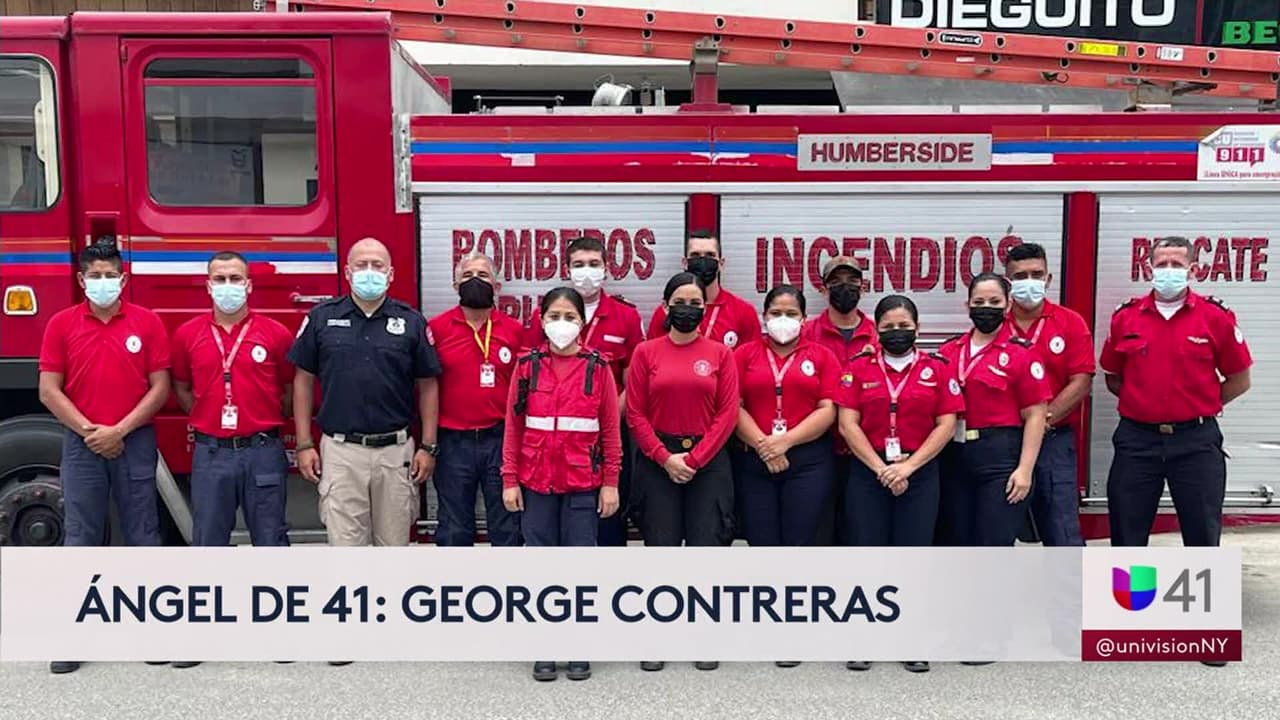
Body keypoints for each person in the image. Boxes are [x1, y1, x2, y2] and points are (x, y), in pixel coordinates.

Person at [37, 238, 171, 676]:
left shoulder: (147, 322)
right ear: (81, 280)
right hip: (82, 446)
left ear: (123, 279)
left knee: (143, 535)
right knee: (81, 537)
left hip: (134, 441)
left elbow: (160, 388)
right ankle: (74, 636)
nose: (103, 282)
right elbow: (49, 390)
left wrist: (120, 430)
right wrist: (91, 432)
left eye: (110, 275)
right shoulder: (61, 324)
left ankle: (150, 630)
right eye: (94, 276)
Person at [502, 287, 623, 682]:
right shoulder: (527, 367)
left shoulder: (597, 367)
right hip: (536, 483)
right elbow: (513, 428)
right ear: (541, 320)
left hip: (582, 484)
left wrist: (611, 482)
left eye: (570, 317)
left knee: (579, 565)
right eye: (554, 316)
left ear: (582, 322)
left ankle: (578, 645)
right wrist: (509, 479)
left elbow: (610, 430)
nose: (562, 324)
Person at [837, 295, 962, 674]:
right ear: (876, 330)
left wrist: (908, 467)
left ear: (917, 328)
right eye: (888, 327)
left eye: (904, 326)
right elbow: (847, 424)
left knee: (914, 555)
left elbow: (947, 424)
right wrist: (881, 468)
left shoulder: (936, 368)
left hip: (919, 473)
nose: (897, 332)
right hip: (868, 471)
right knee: (866, 554)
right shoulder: (858, 368)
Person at [1100, 236, 1252, 549]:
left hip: (1196, 442)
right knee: (1127, 535)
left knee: (1202, 536)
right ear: (1149, 268)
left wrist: (1198, 404)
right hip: (1137, 442)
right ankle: (1129, 586)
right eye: (1161, 264)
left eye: (1177, 264)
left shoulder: (1215, 317)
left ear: (1193, 269)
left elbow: (1239, 379)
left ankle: (1200, 585)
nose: (1168, 270)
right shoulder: (1126, 317)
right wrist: (1145, 403)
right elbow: (1113, 378)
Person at [290, 238, 441, 551]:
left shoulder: (411, 321)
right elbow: (303, 381)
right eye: (361, 265)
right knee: (346, 553)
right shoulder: (321, 319)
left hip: (395, 453)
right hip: (341, 453)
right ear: (347, 272)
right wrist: (303, 443)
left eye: (377, 265)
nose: (369, 271)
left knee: (394, 550)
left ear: (391, 274)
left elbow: (428, 385)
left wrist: (428, 446)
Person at [626, 272, 739, 673]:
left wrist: (694, 460)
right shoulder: (645, 353)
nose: (687, 309)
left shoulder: (721, 354)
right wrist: (664, 457)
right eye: (680, 302)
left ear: (704, 309)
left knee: (707, 551)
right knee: (661, 551)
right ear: (665, 307)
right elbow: (635, 412)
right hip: (659, 462)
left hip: (707, 463)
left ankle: (704, 635)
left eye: (695, 303)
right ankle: (658, 634)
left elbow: (728, 413)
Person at [521, 235, 642, 547]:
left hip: (608, 437)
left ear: (606, 268)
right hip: (553, 443)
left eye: (593, 263)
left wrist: (607, 418)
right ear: (567, 269)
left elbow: (635, 379)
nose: (586, 271)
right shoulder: (546, 314)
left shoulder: (626, 316)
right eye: (579, 264)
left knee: (607, 523)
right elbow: (529, 373)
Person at [936, 273, 1050, 548]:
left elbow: (1036, 415)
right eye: (979, 302)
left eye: (994, 301)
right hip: (954, 456)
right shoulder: (949, 351)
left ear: (1008, 305)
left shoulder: (1022, 353)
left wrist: (1024, 470)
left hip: (1000, 459)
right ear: (968, 306)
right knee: (954, 542)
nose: (986, 307)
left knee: (993, 544)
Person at [428, 251, 525, 547]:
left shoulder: (515, 330)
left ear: (496, 286)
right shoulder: (437, 328)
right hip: (452, 442)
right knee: (454, 527)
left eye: (483, 275)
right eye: (467, 275)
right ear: (455, 285)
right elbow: (425, 386)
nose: (475, 281)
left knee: (507, 523)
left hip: (500, 440)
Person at [1003, 243, 1095, 547]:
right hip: (1004, 440)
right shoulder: (995, 324)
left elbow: (1081, 382)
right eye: (1020, 276)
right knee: (997, 529)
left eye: (1036, 274)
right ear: (1008, 282)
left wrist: (1041, 422)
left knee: (1061, 530)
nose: (1029, 281)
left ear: (1049, 278)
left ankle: (1071, 581)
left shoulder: (1070, 322)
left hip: (1054, 440)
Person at [733, 284, 838, 548]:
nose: (783, 319)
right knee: (761, 541)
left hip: (808, 463)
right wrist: (765, 446)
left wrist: (786, 441)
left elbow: (828, 409)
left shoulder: (823, 356)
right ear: (764, 316)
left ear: (804, 319)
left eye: (791, 314)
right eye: (775, 313)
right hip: (755, 459)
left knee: (801, 541)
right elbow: (733, 407)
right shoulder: (743, 354)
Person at [800, 256, 879, 546]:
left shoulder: (877, 334)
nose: (845, 287)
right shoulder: (807, 333)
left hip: (865, 450)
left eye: (852, 281)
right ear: (823, 289)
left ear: (863, 286)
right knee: (818, 530)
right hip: (818, 449)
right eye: (836, 282)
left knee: (860, 531)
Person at [645, 229, 759, 349]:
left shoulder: (744, 312)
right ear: (685, 263)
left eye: (710, 255)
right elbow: (652, 354)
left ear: (721, 263)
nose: (703, 261)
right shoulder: (667, 312)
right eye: (695, 255)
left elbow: (752, 358)